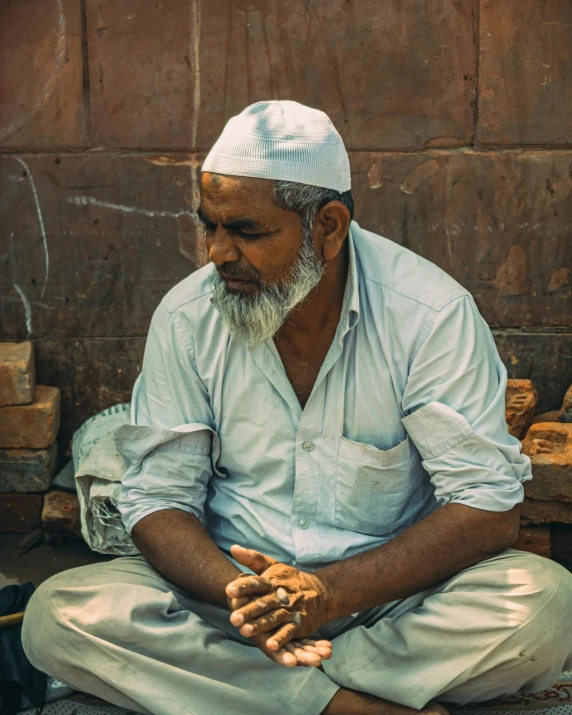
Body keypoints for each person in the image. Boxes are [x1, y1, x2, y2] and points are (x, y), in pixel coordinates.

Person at [22, 101, 572, 715]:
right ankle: (345, 706)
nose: (218, 254)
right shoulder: (186, 319)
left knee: (545, 603)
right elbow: (159, 498)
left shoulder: (429, 315)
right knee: (56, 616)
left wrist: (326, 592)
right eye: (211, 227)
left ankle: (267, 694)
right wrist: (246, 596)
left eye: (247, 232)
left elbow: (487, 507)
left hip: (388, 603)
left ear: (328, 227)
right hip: (235, 606)